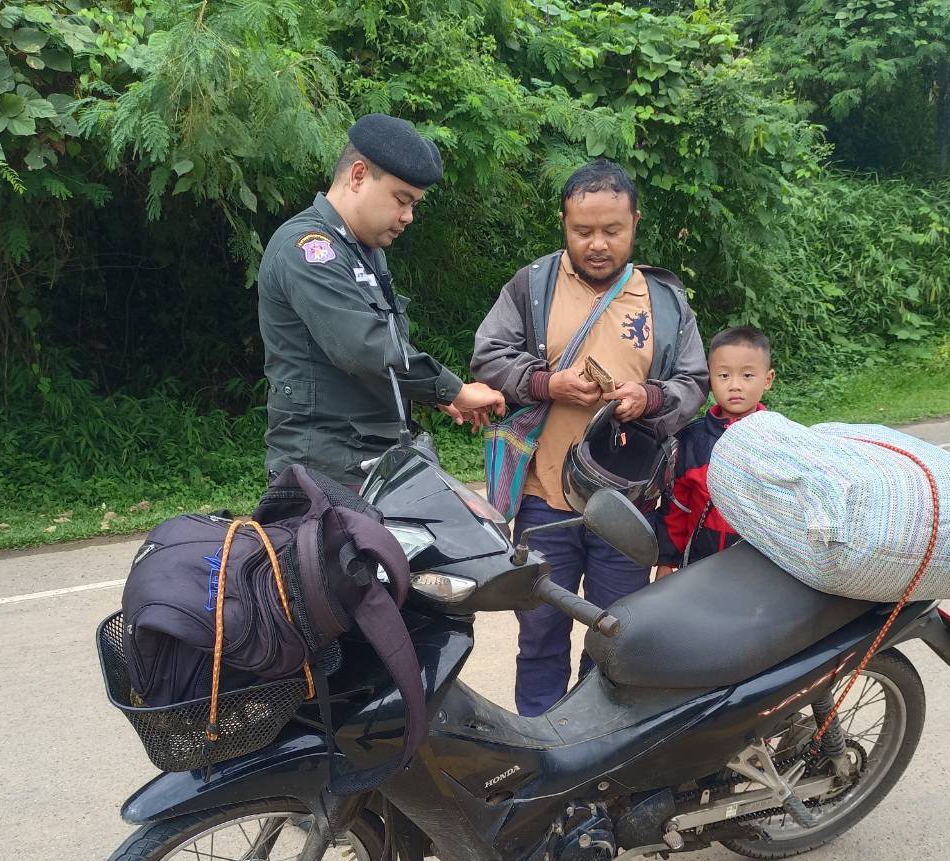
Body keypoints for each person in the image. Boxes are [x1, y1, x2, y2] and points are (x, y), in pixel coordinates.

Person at [471, 159, 708, 715]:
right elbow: (488, 356)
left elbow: (694, 381)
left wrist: (649, 398)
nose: (597, 244)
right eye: (583, 231)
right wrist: (546, 383)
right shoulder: (532, 286)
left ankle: (594, 746)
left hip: (628, 504)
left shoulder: (665, 301)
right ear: (563, 224)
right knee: (539, 636)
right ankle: (540, 746)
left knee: (615, 636)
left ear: (635, 223)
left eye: (612, 230)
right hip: (545, 501)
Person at [258, 114, 506, 487]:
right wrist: (452, 388)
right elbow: (364, 348)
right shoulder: (309, 250)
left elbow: (387, 349)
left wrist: (434, 395)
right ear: (358, 176)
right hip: (326, 474)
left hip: (371, 460)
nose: (408, 217)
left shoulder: (366, 252)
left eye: (414, 205)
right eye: (401, 200)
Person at [655, 325, 775, 578]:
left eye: (747, 375)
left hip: (760, 569)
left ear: (768, 379)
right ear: (709, 379)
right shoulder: (691, 440)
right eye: (723, 376)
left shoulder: (780, 440)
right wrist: (667, 561)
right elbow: (676, 506)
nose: (735, 386)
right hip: (699, 565)